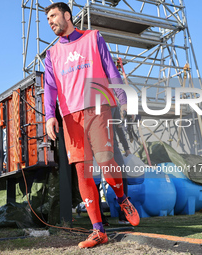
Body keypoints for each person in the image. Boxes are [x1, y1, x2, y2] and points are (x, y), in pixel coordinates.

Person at [44, 2, 140, 249]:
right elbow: (50, 87)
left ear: (67, 15)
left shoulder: (93, 38)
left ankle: (122, 198)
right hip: (70, 118)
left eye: (54, 16)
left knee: (106, 160)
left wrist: (123, 98)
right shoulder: (52, 54)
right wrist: (49, 116)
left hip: (98, 108)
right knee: (82, 172)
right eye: (48, 19)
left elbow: (111, 70)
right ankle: (98, 231)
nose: (50, 22)